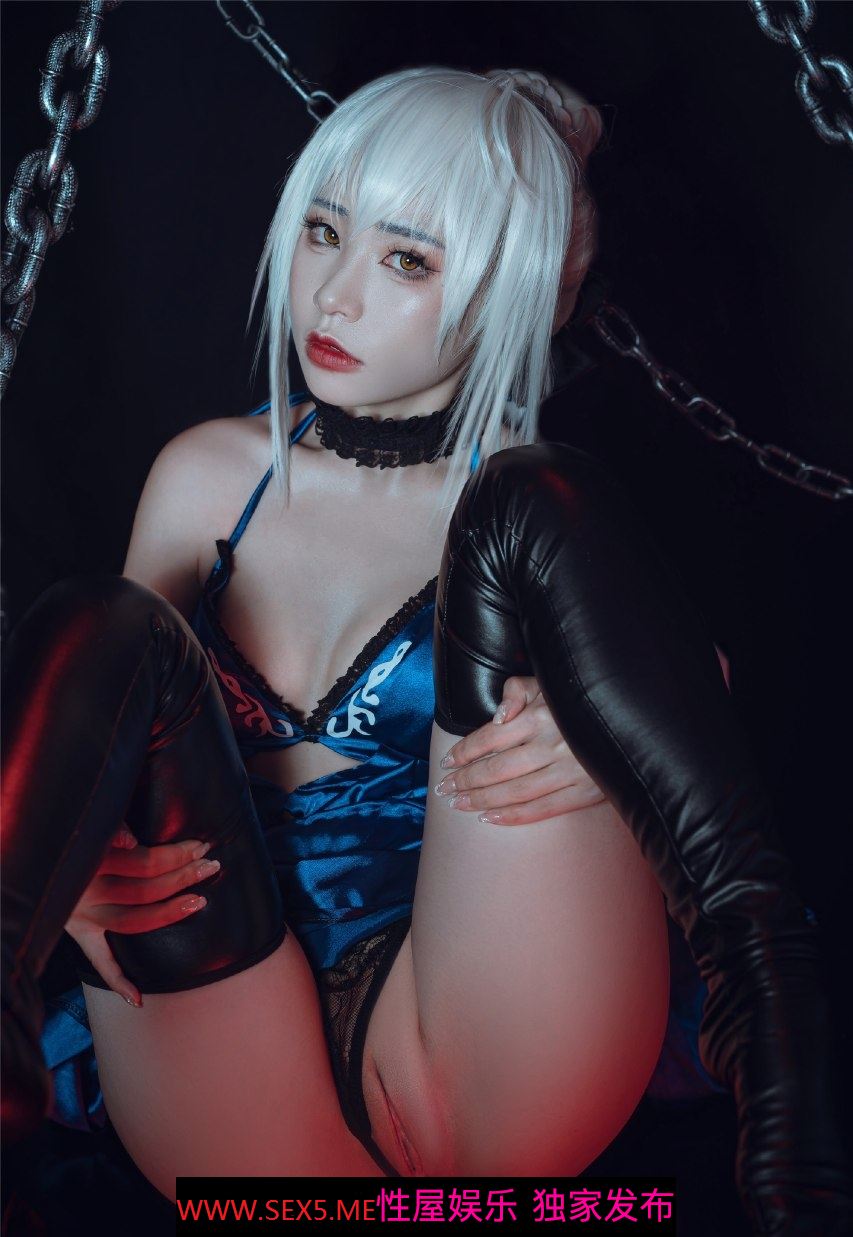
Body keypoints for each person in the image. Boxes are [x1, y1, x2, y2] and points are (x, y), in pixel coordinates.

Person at [2, 67, 850, 1232]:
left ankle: (786, 1057)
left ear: (517, 290)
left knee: (533, 499)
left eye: (407, 260)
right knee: (97, 625)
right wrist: (74, 869)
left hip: (478, 1047)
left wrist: (615, 734)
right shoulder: (204, 478)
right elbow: (104, 727)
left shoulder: (547, 531)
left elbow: (688, 695)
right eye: (322, 232)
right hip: (236, 1070)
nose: (335, 294)